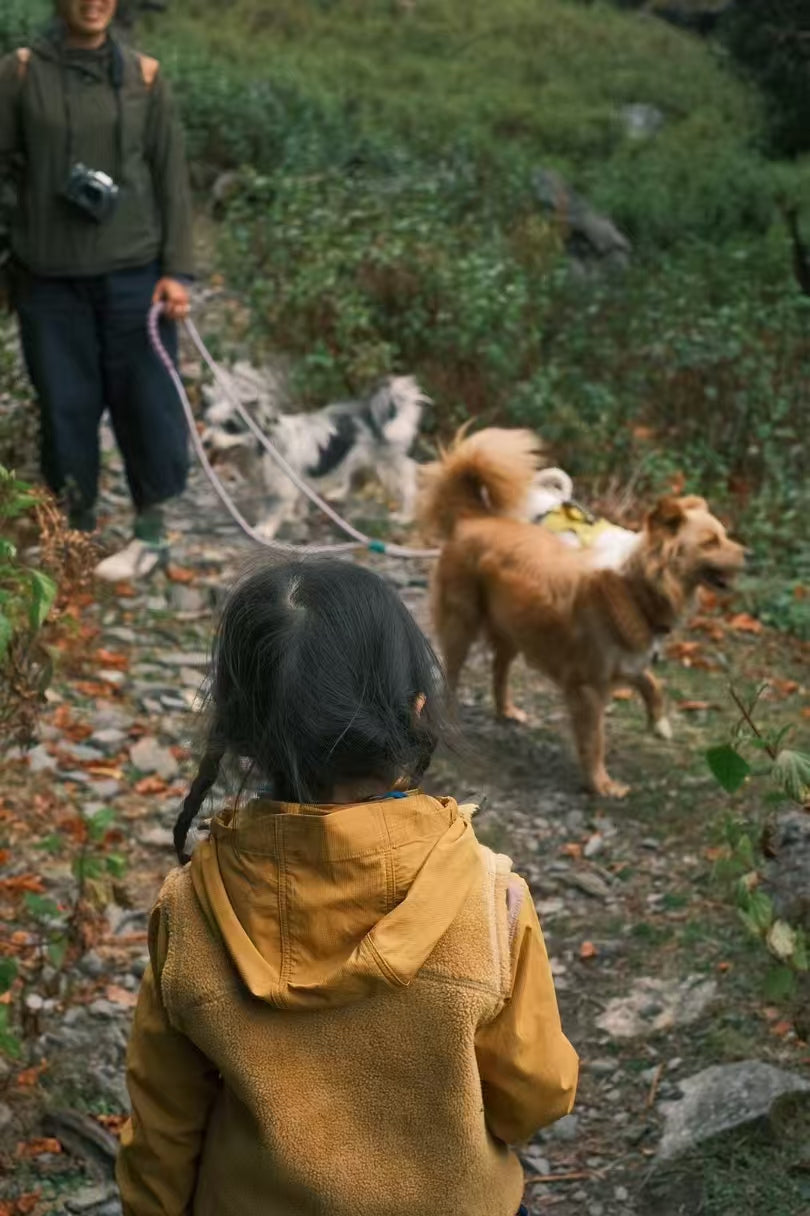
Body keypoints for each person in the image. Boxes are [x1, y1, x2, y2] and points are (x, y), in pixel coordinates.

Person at [116, 559, 579, 1216]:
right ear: (417, 710)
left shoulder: (189, 908)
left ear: (244, 733)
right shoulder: (491, 900)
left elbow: (163, 1129)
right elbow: (535, 1097)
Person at [0, 0, 193, 582]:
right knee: (65, 407)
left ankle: (151, 532)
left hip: (134, 272)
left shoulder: (145, 75)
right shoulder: (22, 72)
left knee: (147, 404)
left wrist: (177, 271)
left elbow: (170, 175)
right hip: (48, 277)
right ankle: (73, 534)